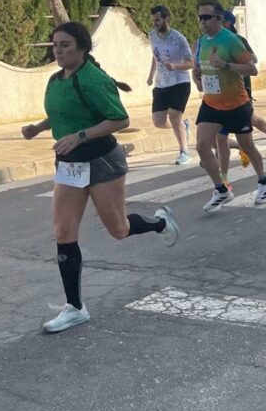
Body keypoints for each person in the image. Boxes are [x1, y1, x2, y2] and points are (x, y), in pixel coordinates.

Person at [21, 22, 178, 333]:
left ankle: (160, 222)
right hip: (69, 165)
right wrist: (38, 128)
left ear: (82, 48)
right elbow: (62, 111)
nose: (58, 51)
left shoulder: (93, 79)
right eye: (55, 45)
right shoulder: (56, 80)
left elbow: (120, 119)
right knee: (63, 232)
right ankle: (75, 307)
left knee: (118, 230)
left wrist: (80, 136)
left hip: (101, 161)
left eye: (65, 45)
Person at [193, 1, 266, 212]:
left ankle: (264, 181)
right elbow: (198, 68)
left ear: (219, 19)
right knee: (202, 145)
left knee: (247, 146)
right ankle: (221, 189)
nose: (202, 22)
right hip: (211, 103)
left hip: (236, 104)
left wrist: (226, 65)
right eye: (200, 17)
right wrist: (198, 78)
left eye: (207, 17)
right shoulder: (200, 42)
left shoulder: (231, 41)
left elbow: (252, 69)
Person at [219, 11, 266, 164]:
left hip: (241, 87)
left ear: (227, 23)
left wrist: (233, 63)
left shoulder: (238, 40)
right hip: (221, 90)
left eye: (218, 19)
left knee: (246, 119)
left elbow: (253, 59)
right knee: (223, 121)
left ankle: (242, 148)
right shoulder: (213, 40)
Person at [146, 5, 195, 165]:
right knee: (158, 122)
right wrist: (150, 76)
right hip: (161, 83)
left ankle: (184, 151)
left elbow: (191, 63)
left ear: (166, 19)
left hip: (179, 82)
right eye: (153, 20)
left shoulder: (178, 38)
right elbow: (155, 56)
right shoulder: (152, 35)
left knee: (174, 116)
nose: (155, 23)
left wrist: (175, 66)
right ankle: (184, 125)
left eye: (158, 20)